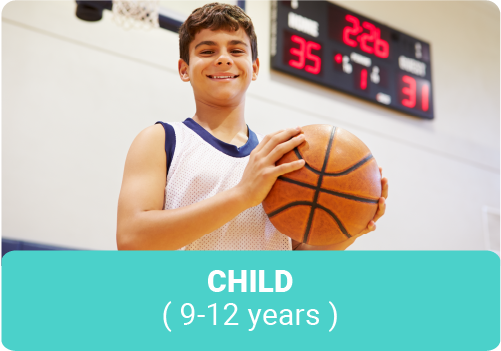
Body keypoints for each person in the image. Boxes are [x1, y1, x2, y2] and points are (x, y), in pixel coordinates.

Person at [116, 3, 388, 251]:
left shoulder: (280, 157)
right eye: (207, 51)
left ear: (255, 68)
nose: (223, 59)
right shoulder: (161, 140)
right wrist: (243, 195)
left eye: (236, 50)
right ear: (184, 69)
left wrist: (349, 226)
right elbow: (132, 240)